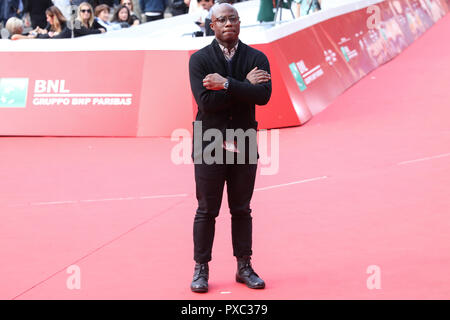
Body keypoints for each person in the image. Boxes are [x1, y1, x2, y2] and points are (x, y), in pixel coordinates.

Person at [188, 3, 272, 293]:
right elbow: (206, 104)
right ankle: (201, 268)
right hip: (209, 141)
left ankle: (244, 266)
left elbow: (262, 96)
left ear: (240, 22)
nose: (228, 23)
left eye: (232, 18)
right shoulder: (198, 59)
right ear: (211, 26)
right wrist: (241, 87)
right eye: (221, 19)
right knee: (206, 210)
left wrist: (225, 84)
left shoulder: (257, 57)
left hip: (245, 139)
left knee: (241, 209)